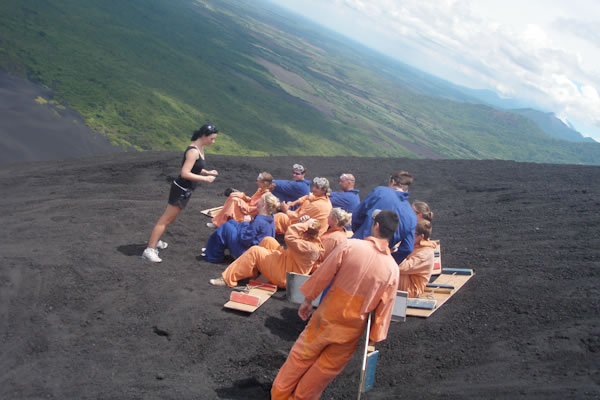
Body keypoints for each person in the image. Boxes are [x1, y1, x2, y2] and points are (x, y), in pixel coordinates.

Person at [271, 210, 400, 399]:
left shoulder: (351, 246)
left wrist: (308, 300)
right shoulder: (392, 270)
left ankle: (279, 395)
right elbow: (385, 308)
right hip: (350, 332)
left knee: (300, 357)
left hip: (326, 318)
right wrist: (373, 338)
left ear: (377, 226)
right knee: (324, 371)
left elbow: (324, 273)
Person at [142, 124, 219, 263]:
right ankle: (149, 250)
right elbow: (185, 173)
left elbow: (195, 168)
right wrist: (205, 178)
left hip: (186, 190)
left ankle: (156, 240)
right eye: (212, 138)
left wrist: (207, 172)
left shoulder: (199, 149)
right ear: (203, 136)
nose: (213, 142)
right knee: (165, 219)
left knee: (169, 219)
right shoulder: (193, 151)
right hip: (181, 190)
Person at [209, 219, 323, 289]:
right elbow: (297, 236)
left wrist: (304, 224)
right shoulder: (313, 241)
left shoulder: (310, 248)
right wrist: (303, 223)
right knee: (268, 240)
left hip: (286, 276)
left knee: (255, 251)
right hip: (288, 263)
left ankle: (227, 279)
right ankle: (251, 272)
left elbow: (290, 236)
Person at [352, 170, 417, 264]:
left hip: (358, 247)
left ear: (393, 181)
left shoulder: (380, 192)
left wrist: (358, 231)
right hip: (378, 261)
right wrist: (389, 261)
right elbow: (407, 248)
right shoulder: (412, 216)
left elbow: (357, 214)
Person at [203, 192, 279, 263]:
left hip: (247, 253)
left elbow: (244, 240)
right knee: (232, 222)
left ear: (263, 204)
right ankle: (211, 250)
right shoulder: (270, 219)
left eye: (260, 200)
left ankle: (214, 256)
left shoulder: (259, 221)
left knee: (226, 227)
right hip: (256, 250)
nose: (258, 201)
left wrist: (245, 223)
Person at [208, 172, 275, 228]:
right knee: (233, 196)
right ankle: (221, 221)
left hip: (251, 212)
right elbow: (252, 200)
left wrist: (243, 204)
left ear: (264, 183)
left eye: (259, 180)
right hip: (248, 207)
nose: (257, 181)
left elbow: (258, 209)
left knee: (235, 200)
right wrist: (242, 196)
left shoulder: (266, 195)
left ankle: (218, 224)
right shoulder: (260, 189)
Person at [398, 218, 436, 298]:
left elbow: (402, 267)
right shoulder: (415, 245)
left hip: (412, 289)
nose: (408, 235)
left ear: (421, 236)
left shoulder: (426, 253)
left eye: (412, 233)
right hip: (405, 282)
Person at [309, 207, 352, 274]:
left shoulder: (332, 238)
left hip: (319, 271)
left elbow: (319, 256)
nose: (327, 217)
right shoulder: (342, 234)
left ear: (335, 221)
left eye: (329, 216)